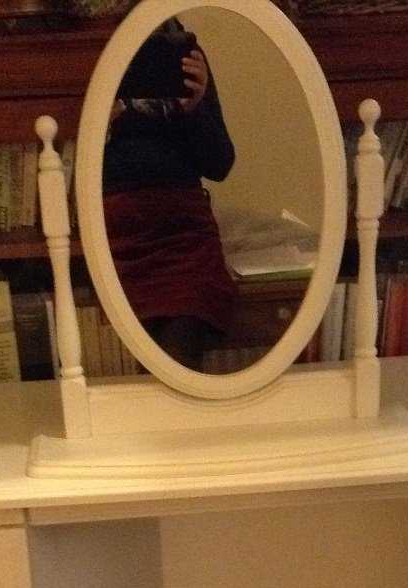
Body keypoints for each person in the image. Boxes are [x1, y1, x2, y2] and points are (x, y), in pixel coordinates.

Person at [102, 16, 238, 370]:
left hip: (185, 243)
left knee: (180, 365)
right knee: (136, 373)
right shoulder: (94, 43)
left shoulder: (178, 48)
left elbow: (220, 163)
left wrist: (195, 108)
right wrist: (102, 117)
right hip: (113, 242)